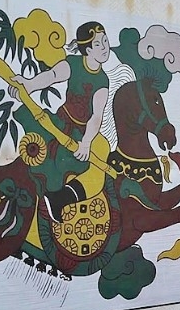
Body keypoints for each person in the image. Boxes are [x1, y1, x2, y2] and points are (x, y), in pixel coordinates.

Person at [9, 21, 112, 222]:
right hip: (60, 122)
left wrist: (87, 141)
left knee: (79, 168)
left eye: (106, 41)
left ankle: (57, 199)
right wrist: (28, 86)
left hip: (82, 133)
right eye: (98, 44)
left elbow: (96, 115)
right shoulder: (73, 63)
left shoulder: (102, 80)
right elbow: (51, 76)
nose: (105, 47)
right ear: (88, 49)